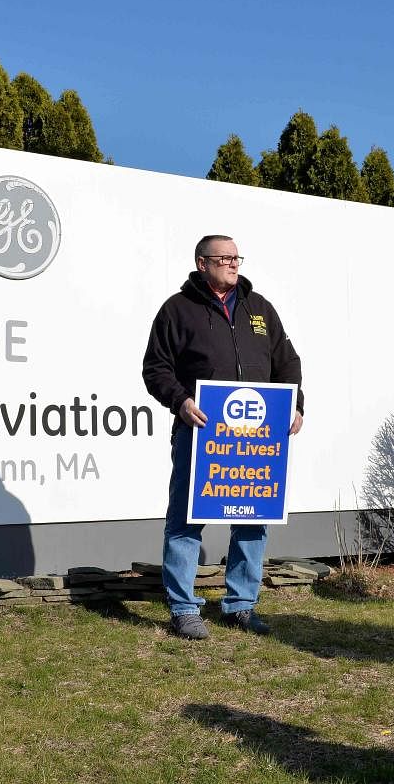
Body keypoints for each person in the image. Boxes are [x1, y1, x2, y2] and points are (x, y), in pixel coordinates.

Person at [142, 235, 304, 640]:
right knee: (186, 518)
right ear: (202, 263)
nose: (234, 264)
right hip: (200, 432)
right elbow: (156, 368)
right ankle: (183, 608)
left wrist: (296, 405)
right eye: (225, 258)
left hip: (256, 438)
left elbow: (286, 362)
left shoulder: (260, 308)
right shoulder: (177, 311)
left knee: (253, 518)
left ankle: (240, 605)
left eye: (237, 257)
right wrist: (179, 401)